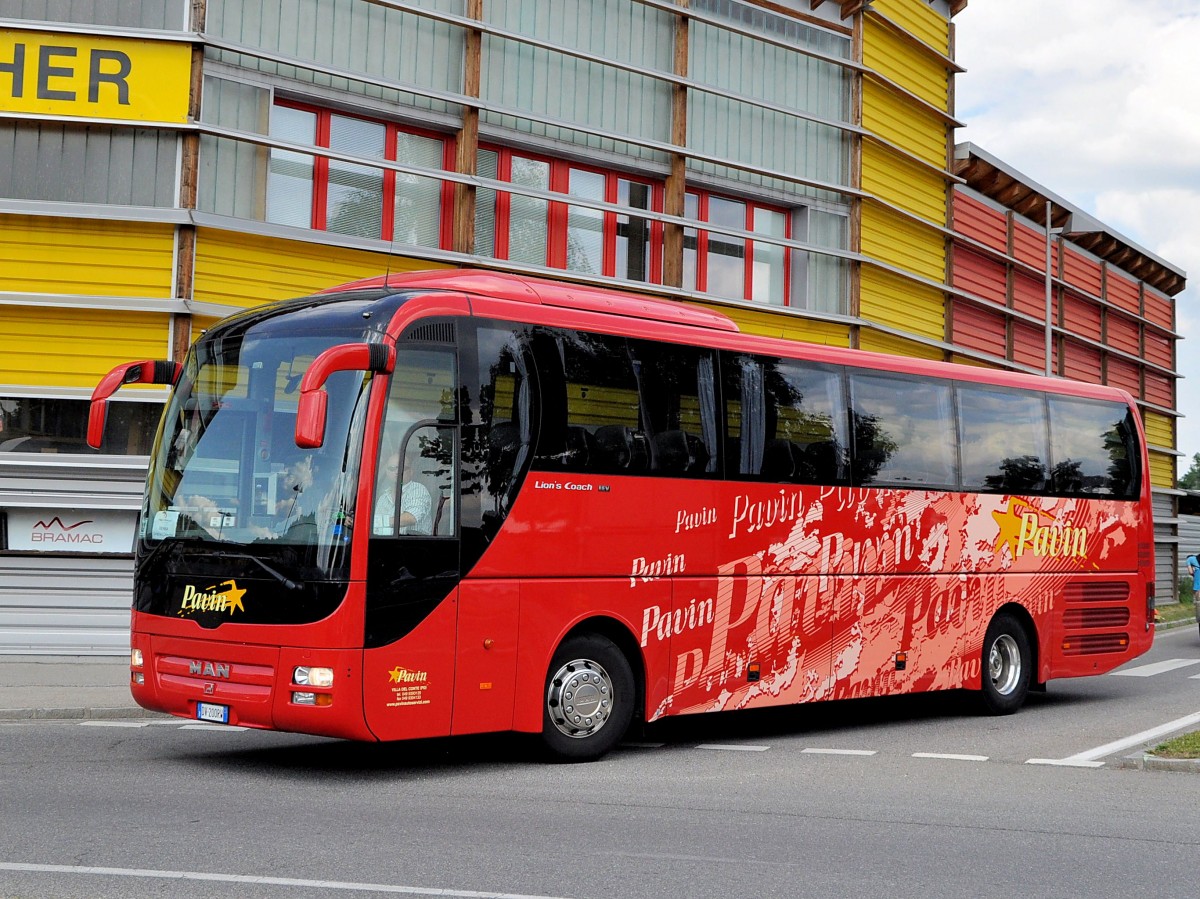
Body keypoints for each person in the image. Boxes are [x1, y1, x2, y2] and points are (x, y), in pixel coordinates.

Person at [374, 450, 433, 536]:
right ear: (387, 472)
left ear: (411, 471)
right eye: (392, 468)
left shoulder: (418, 489)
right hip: (385, 543)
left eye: (402, 468)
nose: (397, 472)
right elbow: (375, 528)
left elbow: (411, 518)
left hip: (413, 544)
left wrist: (378, 522)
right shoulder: (383, 498)